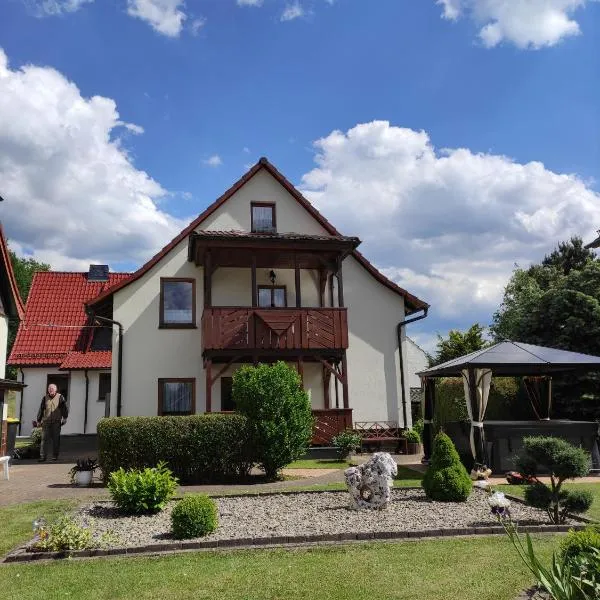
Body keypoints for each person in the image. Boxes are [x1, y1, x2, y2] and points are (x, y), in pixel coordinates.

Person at [33, 384, 69, 462]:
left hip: (56, 422)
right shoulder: (45, 398)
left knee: (56, 440)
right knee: (44, 440)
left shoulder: (60, 397)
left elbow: (64, 408)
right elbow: (41, 409)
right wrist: (39, 420)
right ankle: (43, 457)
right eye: (49, 388)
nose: (50, 390)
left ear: (56, 390)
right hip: (46, 422)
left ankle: (55, 456)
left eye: (52, 388)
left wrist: (65, 417)